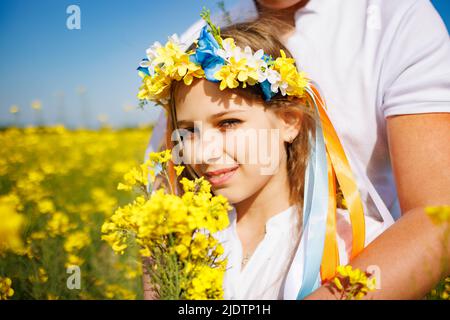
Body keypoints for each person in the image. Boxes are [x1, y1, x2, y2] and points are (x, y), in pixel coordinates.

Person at [143, 0, 450, 299]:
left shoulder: (355, 245)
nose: (202, 152)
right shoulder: (196, 247)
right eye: (188, 133)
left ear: (290, 121)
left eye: (228, 123)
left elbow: (438, 215)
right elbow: (162, 186)